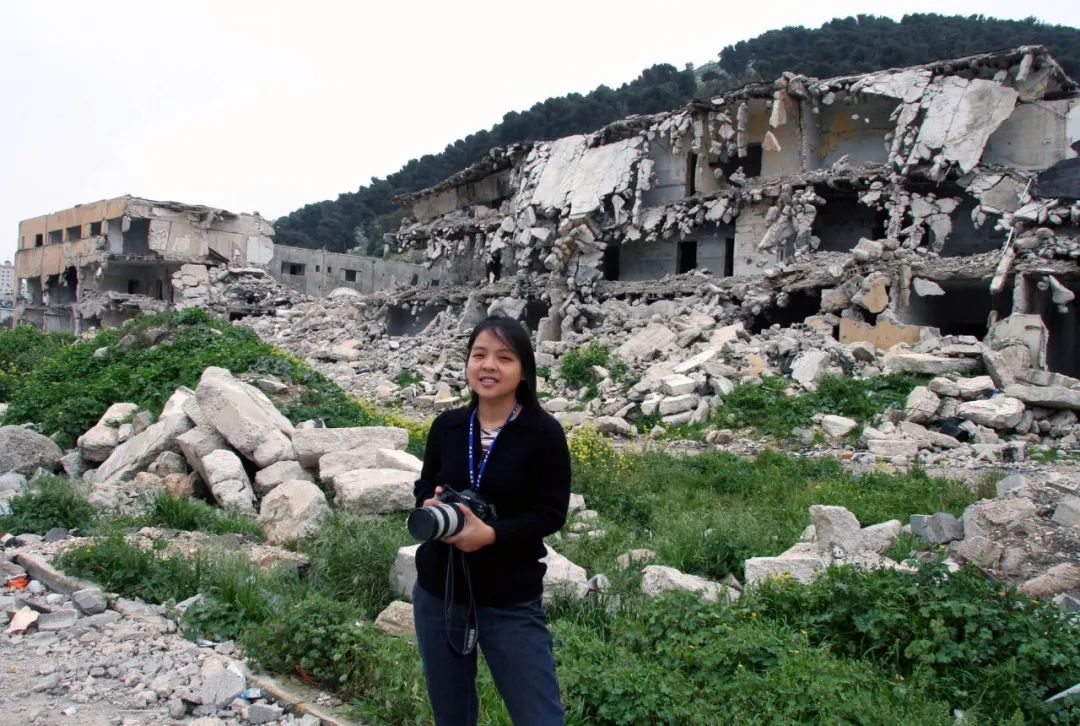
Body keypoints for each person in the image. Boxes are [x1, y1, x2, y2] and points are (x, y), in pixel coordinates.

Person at [412, 315, 570, 726]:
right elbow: (424, 483)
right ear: (467, 362)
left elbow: (551, 512)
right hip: (440, 591)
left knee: (540, 717)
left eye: (504, 357)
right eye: (479, 355)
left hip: (509, 597)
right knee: (452, 715)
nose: (489, 366)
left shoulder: (543, 434)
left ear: (524, 370)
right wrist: (430, 502)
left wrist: (492, 534)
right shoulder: (448, 427)